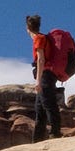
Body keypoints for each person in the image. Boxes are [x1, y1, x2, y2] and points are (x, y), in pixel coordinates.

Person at [26, 14, 62, 142]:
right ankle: (37, 140)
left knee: (49, 104)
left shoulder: (39, 39)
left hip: (46, 74)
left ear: (27, 28)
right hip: (47, 74)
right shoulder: (42, 38)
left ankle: (56, 133)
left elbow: (41, 59)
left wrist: (38, 81)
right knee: (39, 108)